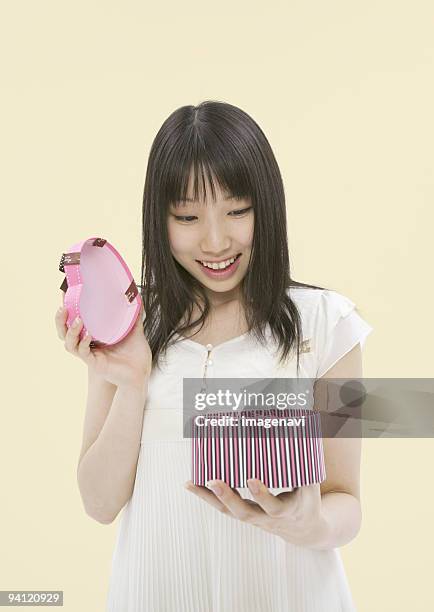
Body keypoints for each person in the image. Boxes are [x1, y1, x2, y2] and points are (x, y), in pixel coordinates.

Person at [55, 100, 373, 612]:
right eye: (187, 216)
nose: (216, 240)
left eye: (237, 211)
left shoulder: (328, 324)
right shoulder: (130, 325)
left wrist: (309, 523)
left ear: (266, 208)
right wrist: (134, 381)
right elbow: (98, 503)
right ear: (159, 219)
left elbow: (348, 502)